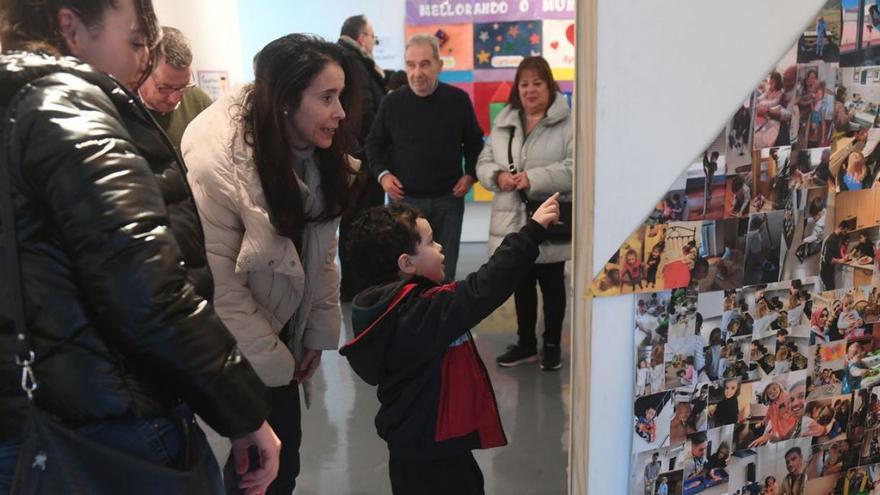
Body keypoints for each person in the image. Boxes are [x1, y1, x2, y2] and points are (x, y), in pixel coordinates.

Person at [0, 0, 281, 494]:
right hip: (110, 425)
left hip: (36, 417)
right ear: (71, 28)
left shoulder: (15, 107)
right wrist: (243, 412)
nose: (141, 64)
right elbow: (147, 292)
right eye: (133, 42)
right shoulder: (66, 110)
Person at [182, 34, 360, 493]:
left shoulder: (316, 156)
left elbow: (322, 254)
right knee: (257, 468)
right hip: (234, 337)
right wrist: (279, 367)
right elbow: (223, 289)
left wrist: (315, 337)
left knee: (284, 461)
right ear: (285, 101)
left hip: (280, 324)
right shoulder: (218, 164)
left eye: (340, 97)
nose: (340, 113)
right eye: (327, 98)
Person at [339, 195, 561, 495]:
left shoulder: (383, 309)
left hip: (412, 450)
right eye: (430, 243)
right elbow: (484, 288)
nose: (440, 247)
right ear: (406, 263)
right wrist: (531, 232)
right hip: (436, 456)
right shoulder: (420, 313)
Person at [475, 55, 572, 369]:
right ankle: (526, 343)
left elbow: (576, 168)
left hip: (549, 217)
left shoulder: (569, 122)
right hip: (512, 218)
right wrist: (497, 176)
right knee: (521, 283)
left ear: (549, 86)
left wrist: (534, 178)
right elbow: (484, 161)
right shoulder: (505, 120)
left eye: (538, 83)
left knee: (553, 283)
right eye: (525, 84)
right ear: (518, 88)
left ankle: (553, 344)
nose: (531, 90)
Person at [366, 34, 484, 282]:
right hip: (404, 203)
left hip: (448, 200)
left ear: (439, 66)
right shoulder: (391, 103)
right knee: (404, 273)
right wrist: (383, 176)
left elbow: (474, 141)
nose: (417, 72)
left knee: (444, 270)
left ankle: (442, 319)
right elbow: (374, 144)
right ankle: (409, 318)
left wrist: (471, 174)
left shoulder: (458, 101)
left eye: (425, 64)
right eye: (411, 64)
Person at [337, 14, 389, 301]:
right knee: (360, 224)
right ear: (361, 38)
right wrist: (372, 160)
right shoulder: (355, 63)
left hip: (355, 161)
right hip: (363, 164)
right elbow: (366, 116)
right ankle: (357, 287)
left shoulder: (346, 60)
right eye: (372, 36)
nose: (373, 42)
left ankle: (353, 285)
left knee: (352, 223)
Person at [138, 26, 213, 152]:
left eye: (183, 87)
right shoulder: (122, 109)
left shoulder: (200, 104)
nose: (175, 99)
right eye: (165, 88)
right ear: (144, 70)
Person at [820, 222, 850, 290]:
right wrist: (841, 260)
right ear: (841, 228)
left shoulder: (836, 238)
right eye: (845, 231)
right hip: (826, 272)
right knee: (830, 290)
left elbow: (835, 254)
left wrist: (843, 257)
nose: (845, 234)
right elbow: (829, 259)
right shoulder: (832, 239)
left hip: (830, 271)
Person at [702, 151, 719, 216]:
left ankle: (706, 209)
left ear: (714, 157)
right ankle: (706, 207)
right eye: (711, 155)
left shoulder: (713, 164)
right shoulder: (713, 163)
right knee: (708, 191)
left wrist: (705, 156)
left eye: (712, 156)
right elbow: (707, 164)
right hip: (710, 179)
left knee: (708, 192)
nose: (711, 157)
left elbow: (706, 164)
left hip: (709, 179)